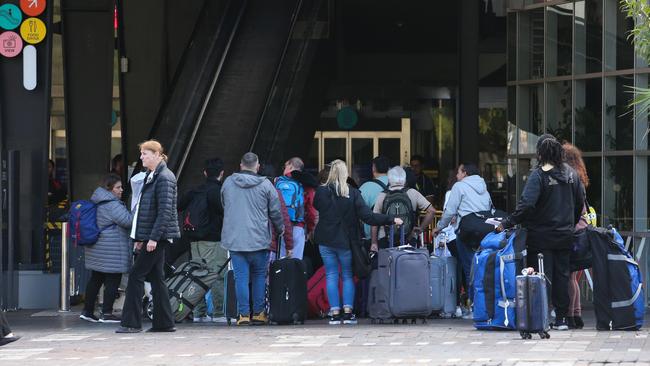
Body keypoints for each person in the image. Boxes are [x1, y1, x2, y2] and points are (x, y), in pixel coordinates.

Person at [497, 134, 584, 331]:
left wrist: (509, 221)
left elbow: (527, 205)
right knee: (562, 276)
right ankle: (562, 318)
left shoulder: (539, 175)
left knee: (542, 276)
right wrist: (570, 223)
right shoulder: (572, 174)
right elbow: (580, 202)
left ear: (540, 153)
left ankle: (541, 317)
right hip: (564, 235)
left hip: (541, 236)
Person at [314, 160, 401, 325]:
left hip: (325, 240)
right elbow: (368, 217)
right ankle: (348, 313)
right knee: (347, 275)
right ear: (345, 174)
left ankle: (334, 313)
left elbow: (317, 206)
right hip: (346, 241)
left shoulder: (321, 192)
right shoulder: (353, 193)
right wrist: (391, 219)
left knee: (331, 275)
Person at [116, 140, 180, 333]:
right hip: (152, 236)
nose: (142, 157)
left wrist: (152, 238)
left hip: (157, 237)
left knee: (136, 275)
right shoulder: (152, 176)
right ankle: (164, 323)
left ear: (156, 155)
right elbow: (147, 211)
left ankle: (131, 323)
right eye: (142, 153)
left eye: (145, 153)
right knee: (156, 278)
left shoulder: (164, 178)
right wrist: (141, 238)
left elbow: (165, 211)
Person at [221, 152, 284, 326]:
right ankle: (259, 313)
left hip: (235, 239)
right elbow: (275, 211)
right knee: (258, 277)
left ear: (241, 165)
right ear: (257, 166)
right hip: (259, 239)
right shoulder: (266, 185)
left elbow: (224, 204)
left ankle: (243, 315)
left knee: (240, 277)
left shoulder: (228, 183)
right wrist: (280, 229)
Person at [178, 158, 228, 323]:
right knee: (216, 275)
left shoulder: (194, 191)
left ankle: (199, 313)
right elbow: (225, 213)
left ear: (205, 173)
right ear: (222, 173)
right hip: (213, 240)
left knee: (197, 276)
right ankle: (219, 313)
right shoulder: (218, 192)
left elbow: (177, 206)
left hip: (193, 240)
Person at [433, 163, 493, 300]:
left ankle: (473, 304)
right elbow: (489, 207)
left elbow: (450, 211)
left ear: (465, 173)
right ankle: (485, 303)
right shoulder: (484, 188)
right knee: (482, 266)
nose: (456, 175)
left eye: (459, 172)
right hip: (483, 231)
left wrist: (440, 226)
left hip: (466, 231)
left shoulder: (459, 186)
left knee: (469, 268)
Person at [80, 174, 133, 323]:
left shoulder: (97, 200)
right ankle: (107, 313)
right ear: (109, 189)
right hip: (111, 248)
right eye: (118, 187)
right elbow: (128, 221)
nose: (121, 190)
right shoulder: (111, 204)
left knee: (96, 278)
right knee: (113, 278)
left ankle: (87, 311)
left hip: (98, 247)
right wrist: (136, 209)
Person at [371, 166, 436, 251]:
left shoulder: (382, 195)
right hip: (409, 238)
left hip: (385, 239)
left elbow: (375, 220)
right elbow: (432, 211)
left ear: (389, 180)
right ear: (404, 180)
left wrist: (374, 243)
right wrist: (421, 228)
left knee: (388, 263)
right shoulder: (413, 193)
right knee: (407, 262)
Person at [563, 142, 590, 330]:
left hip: (573, 233)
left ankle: (570, 315)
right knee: (573, 278)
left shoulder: (569, 180)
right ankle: (577, 313)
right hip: (581, 231)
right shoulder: (579, 178)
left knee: (568, 277)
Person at [276, 157, 317, 259]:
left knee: (280, 261)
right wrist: (310, 229)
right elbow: (311, 210)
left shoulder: (278, 182)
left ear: (290, 166)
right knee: (296, 261)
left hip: (280, 227)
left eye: (285, 166)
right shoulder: (306, 184)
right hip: (298, 226)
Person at [359, 156, 390, 241]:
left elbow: (357, 212)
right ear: (388, 169)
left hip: (372, 238)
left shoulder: (365, 187)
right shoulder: (396, 184)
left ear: (373, 168)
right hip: (395, 233)